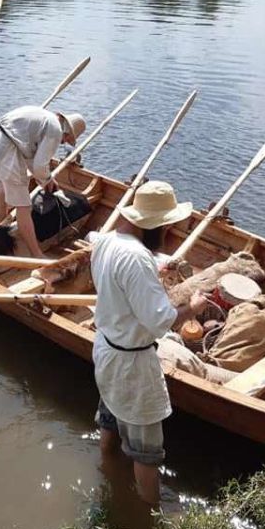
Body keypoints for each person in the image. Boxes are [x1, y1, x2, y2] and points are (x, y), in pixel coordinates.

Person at [90, 180, 205, 506]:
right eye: (167, 227)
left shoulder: (107, 239)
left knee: (110, 418)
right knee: (146, 451)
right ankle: (147, 514)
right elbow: (160, 321)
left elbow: (127, 267)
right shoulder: (138, 259)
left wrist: (157, 266)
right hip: (132, 365)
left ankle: (107, 469)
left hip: (106, 348)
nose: (169, 234)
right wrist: (192, 308)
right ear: (154, 226)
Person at [0, 106, 86, 258]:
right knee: (24, 206)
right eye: (66, 140)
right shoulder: (55, 131)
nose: (63, 143)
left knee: (2, 193)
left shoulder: (44, 117)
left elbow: (30, 157)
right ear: (67, 132)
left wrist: (46, 179)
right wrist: (45, 178)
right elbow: (39, 165)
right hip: (8, 148)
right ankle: (36, 254)